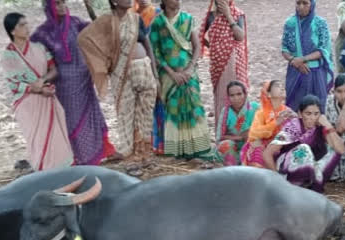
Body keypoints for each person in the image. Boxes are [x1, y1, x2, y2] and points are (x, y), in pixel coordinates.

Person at [32, 0, 117, 166]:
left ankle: (102, 151)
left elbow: (97, 31)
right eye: (57, 4)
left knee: (91, 115)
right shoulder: (43, 33)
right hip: (62, 82)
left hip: (84, 78)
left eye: (64, 2)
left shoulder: (76, 23)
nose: (62, 6)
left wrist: (91, 8)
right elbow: (35, 57)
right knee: (70, 119)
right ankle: (75, 157)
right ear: (49, 7)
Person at [78, 0, 158, 161]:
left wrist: (155, 74)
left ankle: (144, 156)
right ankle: (130, 158)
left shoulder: (136, 19)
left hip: (144, 69)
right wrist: (104, 64)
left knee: (145, 114)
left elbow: (146, 43)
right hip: (122, 74)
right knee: (126, 115)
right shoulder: (107, 21)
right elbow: (86, 39)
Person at [1, 13, 74, 171]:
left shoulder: (39, 48)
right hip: (27, 104)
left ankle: (61, 171)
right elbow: (14, 84)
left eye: (27, 24)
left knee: (55, 139)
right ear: (12, 31)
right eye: (22, 25)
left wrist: (43, 80)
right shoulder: (9, 55)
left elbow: (54, 70)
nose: (27, 28)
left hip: (47, 99)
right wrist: (40, 89)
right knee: (37, 140)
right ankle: (43, 173)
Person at [150, 0, 213, 159]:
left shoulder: (187, 18)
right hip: (169, 75)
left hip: (188, 73)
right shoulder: (158, 22)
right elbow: (155, 52)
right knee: (173, 109)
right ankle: (177, 150)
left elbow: (197, 46)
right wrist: (172, 73)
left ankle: (198, 148)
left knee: (194, 107)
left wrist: (190, 68)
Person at [263, 95, 345, 193]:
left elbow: (341, 150)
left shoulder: (320, 126)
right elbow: (267, 153)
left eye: (316, 114)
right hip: (287, 169)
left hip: (311, 166)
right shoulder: (293, 127)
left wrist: (328, 125)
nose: (313, 118)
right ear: (300, 114)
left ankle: (312, 184)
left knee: (334, 150)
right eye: (308, 113)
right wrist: (278, 180)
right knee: (304, 149)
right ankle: (295, 185)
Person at [200, 0, 248, 128]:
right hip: (217, 64)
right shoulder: (210, 16)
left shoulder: (237, 14)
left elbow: (240, 36)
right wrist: (215, 47)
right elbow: (200, 37)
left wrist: (228, 15)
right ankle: (223, 134)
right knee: (221, 96)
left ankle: (240, 131)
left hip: (234, 62)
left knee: (237, 93)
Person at [281, 0, 334, 113]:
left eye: (305, 3)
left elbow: (323, 50)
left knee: (317, 108)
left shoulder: (320, 23)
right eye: (298, 3)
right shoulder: (290, 23)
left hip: (315, 73)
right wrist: (293, 60)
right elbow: (284, 49)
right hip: (295, 71)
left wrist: (302, 59)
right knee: (294, 108)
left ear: (312, 5)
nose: (301, 7)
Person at [240, 80, 295, 168]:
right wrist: (276, 123)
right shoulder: (261, 112)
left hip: (280, 146)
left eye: (283, 86)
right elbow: (254, 133)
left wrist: (296, 119)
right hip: (262, 146)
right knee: (257, 148)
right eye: (277, 86)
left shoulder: (288, 112)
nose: (282, 88)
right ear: (268, 94)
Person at [215, 80, 259, 165]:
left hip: (253, 144)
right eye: (232, 95)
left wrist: (249, 134)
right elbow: (220, 137)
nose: (236, 98)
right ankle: (233, 170)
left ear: (245, 94)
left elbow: (265, 127)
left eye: (239, 94)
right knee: (226, 145)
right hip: (234, 148)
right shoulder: (226, 112)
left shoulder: (255, 108)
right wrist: (240, 138)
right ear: (228, 97)